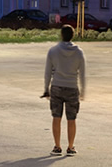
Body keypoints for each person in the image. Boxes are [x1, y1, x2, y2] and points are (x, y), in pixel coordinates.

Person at [42, 24, 86, 156]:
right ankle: (71, 147)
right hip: (72, 87)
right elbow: (82, 73)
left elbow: (47, 72)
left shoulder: (53, 51)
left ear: (61, 35)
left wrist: (46, 88)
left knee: (56, 117)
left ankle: (57, 146)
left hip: (56, 86)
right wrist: (82, 90)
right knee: (71, 119)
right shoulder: (79, 52)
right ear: (73, 35)